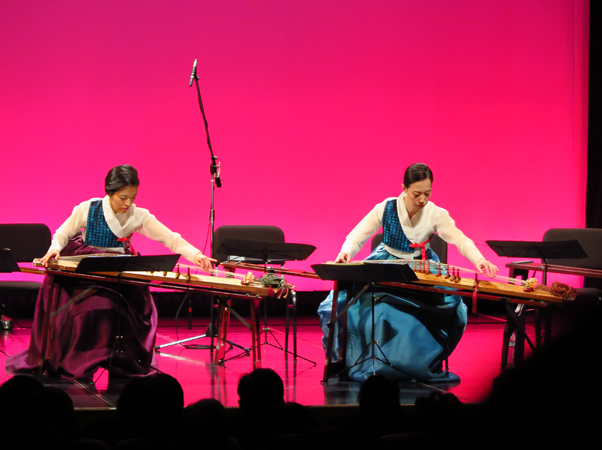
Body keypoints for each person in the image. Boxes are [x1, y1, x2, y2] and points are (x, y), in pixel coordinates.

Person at [5, 164, 215, 379]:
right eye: (123, 197)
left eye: (133, 197)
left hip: (119, 269)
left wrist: (197, 255)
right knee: (98, 306)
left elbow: (170, 239)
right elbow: (62, 234)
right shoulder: (88, 208)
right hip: (87, 270)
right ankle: (80, 360)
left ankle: (122, 360)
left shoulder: (139, 215)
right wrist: (54, 250)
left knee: (140, 306)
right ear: (109, 191)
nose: (128, 203)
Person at [318, 163, 498, 382]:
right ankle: (368, 364)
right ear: (403, 188)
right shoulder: (386, 207)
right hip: (385, 264)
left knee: (452, 309)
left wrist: (479, 259)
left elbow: (460, 239)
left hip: (421, 269)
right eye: (416, 194)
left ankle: (411, 366)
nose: (422, 200)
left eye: (427, 193)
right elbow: (359, 235)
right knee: (349, 306)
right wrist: (346, 252)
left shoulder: (436, 214)